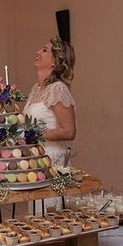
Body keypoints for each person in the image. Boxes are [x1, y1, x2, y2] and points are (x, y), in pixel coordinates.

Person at [23, 36, 77, 168]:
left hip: (50, 160)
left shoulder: (58, 89)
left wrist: (34, 134)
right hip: (34, 158)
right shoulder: (36, 88)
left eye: (45, 50)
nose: (38, 52)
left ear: (55, 62)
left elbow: (69, 131)